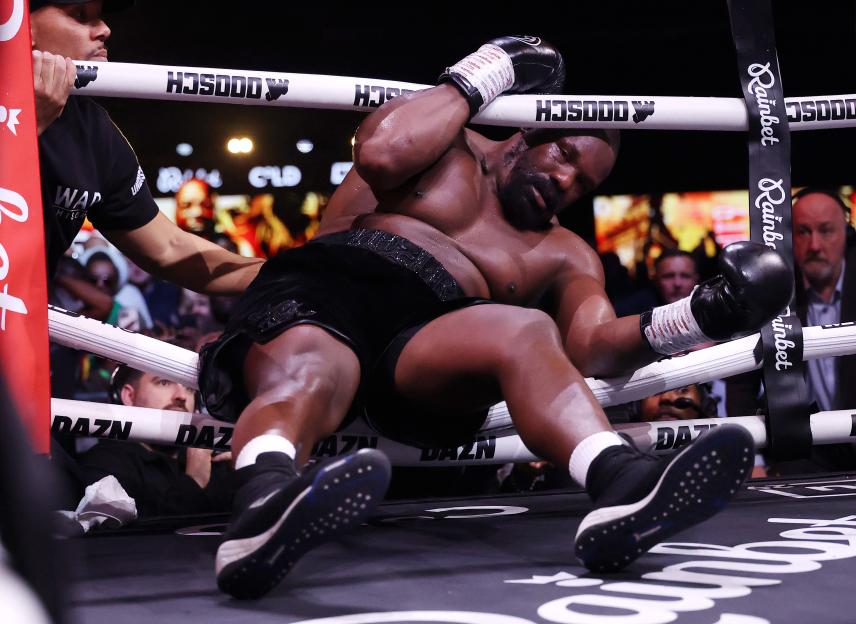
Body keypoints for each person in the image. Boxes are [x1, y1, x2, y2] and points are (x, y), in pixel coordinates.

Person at [199, 36, 792, 598]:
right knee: (312, 371)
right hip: (333, 285)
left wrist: (703, 316)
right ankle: (264, 502)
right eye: (563, 155)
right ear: (528, 130)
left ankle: (621, 483)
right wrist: (490, 68)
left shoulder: (563, 251)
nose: (564, 182)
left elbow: (592, 345)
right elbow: (379, 153)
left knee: (527, 329)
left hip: (428, 337)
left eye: (582, 185)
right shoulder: (444, 142)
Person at [31, 1, 262, 298]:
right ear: (24, 28)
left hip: (21, 317)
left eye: (99, 16)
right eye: (81, 15)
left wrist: (293, 276)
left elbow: (169, 249)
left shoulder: (92, 129)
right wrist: (29, 125)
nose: (104, 29)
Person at [727, 187, 856, 472]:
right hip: (800, 451)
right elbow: (741, 382)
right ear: (788, 238)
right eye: (803, 232)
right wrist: (752, 458)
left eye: (826, 231)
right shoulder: (767, 290)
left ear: (846, 233)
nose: (814, 245)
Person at [76, 359, 236, 517]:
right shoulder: (105, 465)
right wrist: (195, 480)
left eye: (189, 388)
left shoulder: (212, 459)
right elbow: (132, 532)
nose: (182, 396)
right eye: (164, 382)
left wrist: (240, 474)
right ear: (130, 396)